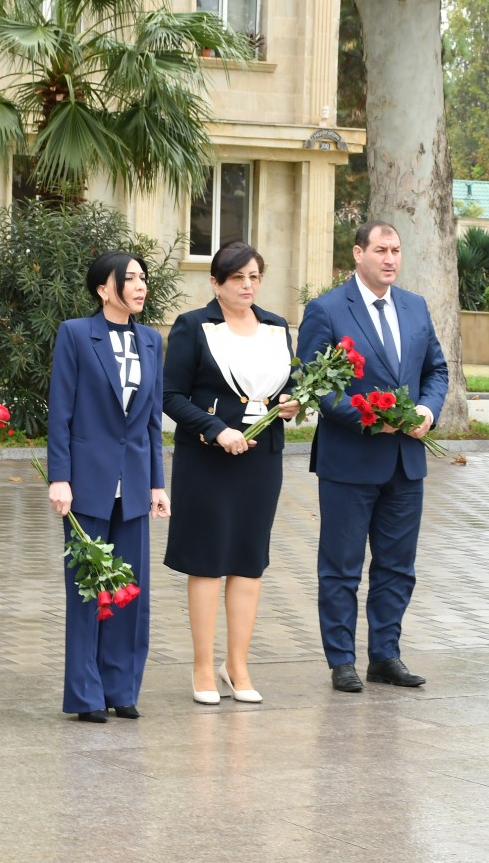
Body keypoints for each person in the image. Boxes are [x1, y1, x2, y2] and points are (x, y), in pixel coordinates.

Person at [297, 219, 448, 693]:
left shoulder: (416, 307)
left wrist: (426, 409)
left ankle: (385, 655)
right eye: (381, 250)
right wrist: (366, 418)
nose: (390, 259)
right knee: (341, 566)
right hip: (350, 459)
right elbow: (315, 387)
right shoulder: (326, 310)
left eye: (396, 250)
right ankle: (341, 659)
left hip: (405, 460)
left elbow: (437, 371)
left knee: (397, 566)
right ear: (358, 254)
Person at [162, 242, 301, 705]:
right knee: (206, 559)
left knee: (247, 559)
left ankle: (236, 664)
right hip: (207, 458)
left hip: (262, 460)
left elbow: (294, 386)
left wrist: (295, 404)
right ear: (215, 283)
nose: (246, 286)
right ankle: (203, 665)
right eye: (237, 278)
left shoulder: (278, 327)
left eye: (254, 277)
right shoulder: (193, 327)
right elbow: (172, 396)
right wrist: (215, 429)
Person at [46, 251, 171, 722]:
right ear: (104, 289)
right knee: (87, 590)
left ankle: (122, 689)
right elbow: (61, 411)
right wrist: (60, 477)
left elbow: (152, 421)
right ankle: (85, 694)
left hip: (136, 482)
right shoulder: (77, 334)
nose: (140, 286)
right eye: (130, 279)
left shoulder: (152, 341)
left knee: (130, 590)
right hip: (87, 481)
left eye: (143, 278)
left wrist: (158, 483)